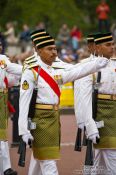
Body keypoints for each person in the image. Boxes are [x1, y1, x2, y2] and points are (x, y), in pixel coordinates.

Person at [18, 29, 109, 175]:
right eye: (50, 49)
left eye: (55, 48)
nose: (54, 52)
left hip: (53, 120)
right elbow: (24, 102)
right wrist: (23, 130)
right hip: (40, 121)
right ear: (39, 51)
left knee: (41, 160)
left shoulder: (54, 71)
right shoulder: (31, 71)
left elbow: (77, 71)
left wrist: (98, 64)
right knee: (48, 163)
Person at [74, 32, 115, 175]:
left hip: (113, 116)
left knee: (100, 159)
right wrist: (85, 124)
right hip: (98, 116)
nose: (112, 47)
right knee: (105, 158)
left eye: (112, 44)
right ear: (97, 47)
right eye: (108, 45)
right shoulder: (87, 67)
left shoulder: (113, 65)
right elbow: (82, 99)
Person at [0, 42, 22, 175]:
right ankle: (5, 168)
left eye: (1, 44)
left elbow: (11, 78)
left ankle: (5, 168)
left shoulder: (2, 59)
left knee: (2, 134)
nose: (0, 47)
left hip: (2, 97)